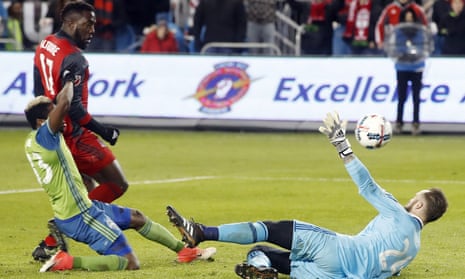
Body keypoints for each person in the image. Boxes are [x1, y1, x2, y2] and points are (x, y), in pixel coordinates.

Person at [166, 111, 448, 279]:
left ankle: (201, 232)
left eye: (415, 197)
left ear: (420, 204)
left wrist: (341, 144)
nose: (408, 199)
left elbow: (368, 186)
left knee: (270, 229)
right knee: (261, 254)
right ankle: (263, 270)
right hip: (338, 276)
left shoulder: (398, 214)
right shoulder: (414, 248)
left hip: (339, 251)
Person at [24, 80, 216, 272]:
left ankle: (185, 251)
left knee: (136, 217)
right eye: (54, 112)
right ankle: (66, 262)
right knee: (129, 263)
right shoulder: (46, 135)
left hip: (80, 207)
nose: (61, 114)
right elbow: (65, 101)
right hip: (81, 215)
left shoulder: (33, 142)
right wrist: (68, 80)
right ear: (41, 122)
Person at [32, 1, 128, 260]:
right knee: (116, 183)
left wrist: (43, 124)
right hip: (74, 134)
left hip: (54, 132)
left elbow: (37, 90)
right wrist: (105, 132)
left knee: (85, 187)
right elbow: (73, 107)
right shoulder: (75, 59)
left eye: (94, 24)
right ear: (71, 23)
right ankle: (61, 228)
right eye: (88, 24)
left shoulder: (45, 45)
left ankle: (49, 244)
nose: (93, 29)